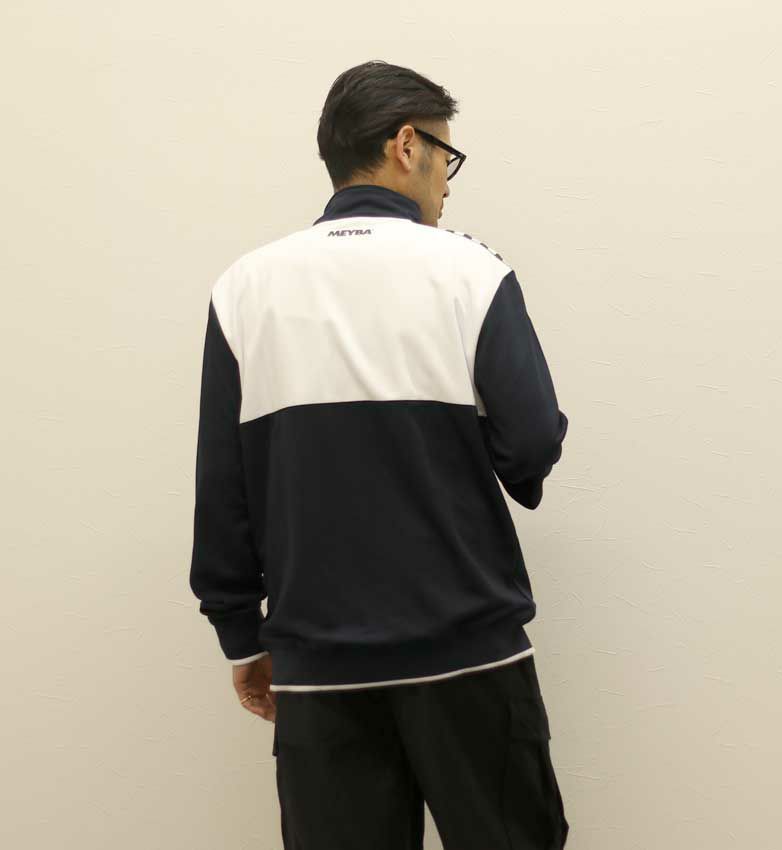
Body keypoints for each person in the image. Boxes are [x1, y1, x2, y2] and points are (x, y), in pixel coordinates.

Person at [189, 59, 570, 849]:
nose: (447, 184)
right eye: (445, 156)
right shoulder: (469, 270)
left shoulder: (245, 289)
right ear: (406, 145)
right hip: (469, 655)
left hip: (318, 666)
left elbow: (223, 490)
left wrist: (242, 637)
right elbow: (532, 438)